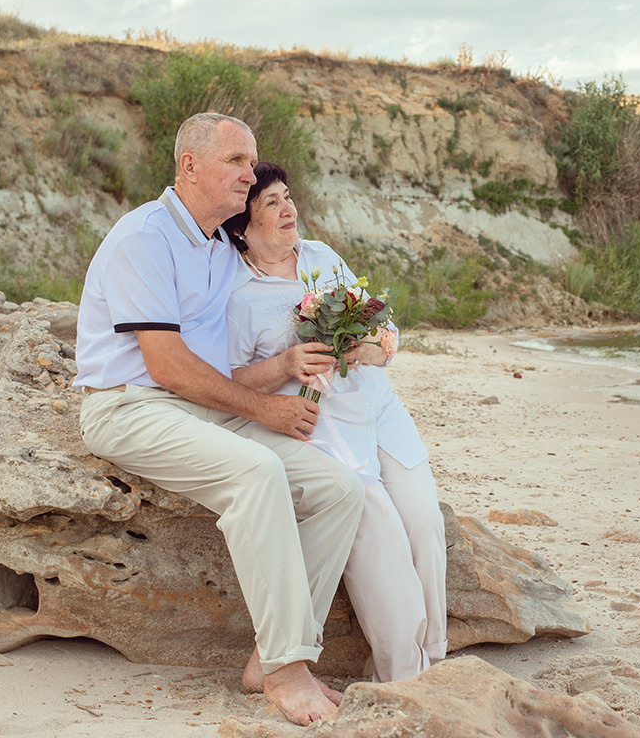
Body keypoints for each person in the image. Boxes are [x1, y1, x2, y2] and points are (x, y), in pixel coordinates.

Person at [73, 113, 364, 726]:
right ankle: (289, 672)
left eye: (252, 160)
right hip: (128, 405)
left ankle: (272, 652)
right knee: (257, 472)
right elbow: (170, 365)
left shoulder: (215, 244)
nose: (249, 173)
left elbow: (272, 272)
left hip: (194, 407)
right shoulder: (142, 238)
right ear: (189, 166)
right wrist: (266, 409)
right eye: (236, 160)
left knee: (339, 488)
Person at [223, 162, 447, 683]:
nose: (288, 209)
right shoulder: (237, 295)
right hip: (324, 433)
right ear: (243, 226)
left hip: (380, 412)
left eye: (288, 196)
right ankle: (402, 678)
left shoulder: (321, 257)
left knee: (425, 523)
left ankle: (435, 660)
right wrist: (286, 364)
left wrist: (367, 349)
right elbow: (228, 381)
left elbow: (385, 331)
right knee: (385, 544)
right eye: (271, 203)